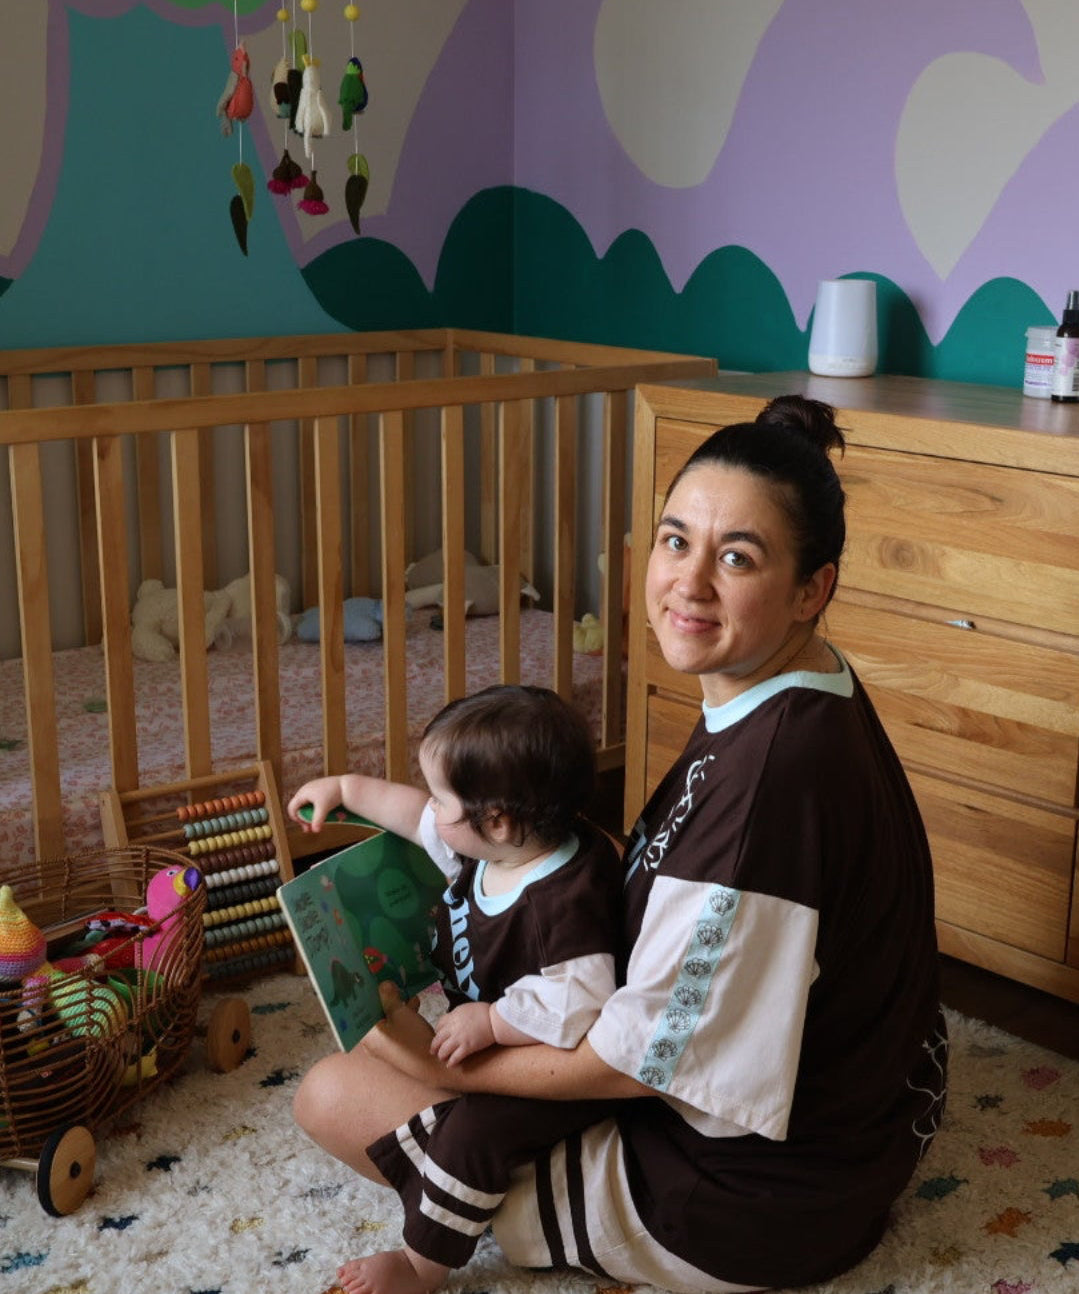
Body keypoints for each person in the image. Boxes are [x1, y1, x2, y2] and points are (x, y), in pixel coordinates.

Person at [294, 394, 948, 1294]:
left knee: (335, 1089)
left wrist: (433, 1054)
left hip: (756, 1199)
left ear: (812, 589)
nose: (689, 583)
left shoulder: (769, 782)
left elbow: (628, 1067)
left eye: (737, 558)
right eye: (677, 542)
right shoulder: (790, 685)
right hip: (870, 1119)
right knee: (392, 1042)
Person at [287, 684, 623, 1294]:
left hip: (548, 1069)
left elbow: (580, 1003)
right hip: (492, 1039)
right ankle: (470, 1192)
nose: (432, 811)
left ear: (496, 819)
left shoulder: (563, 902)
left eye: (444, 798)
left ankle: (424, 1263)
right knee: (371, 1058)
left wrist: (493, 1022)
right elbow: (414, 817)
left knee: (474, 1133)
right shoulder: (497, 845)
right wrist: (344, 790)